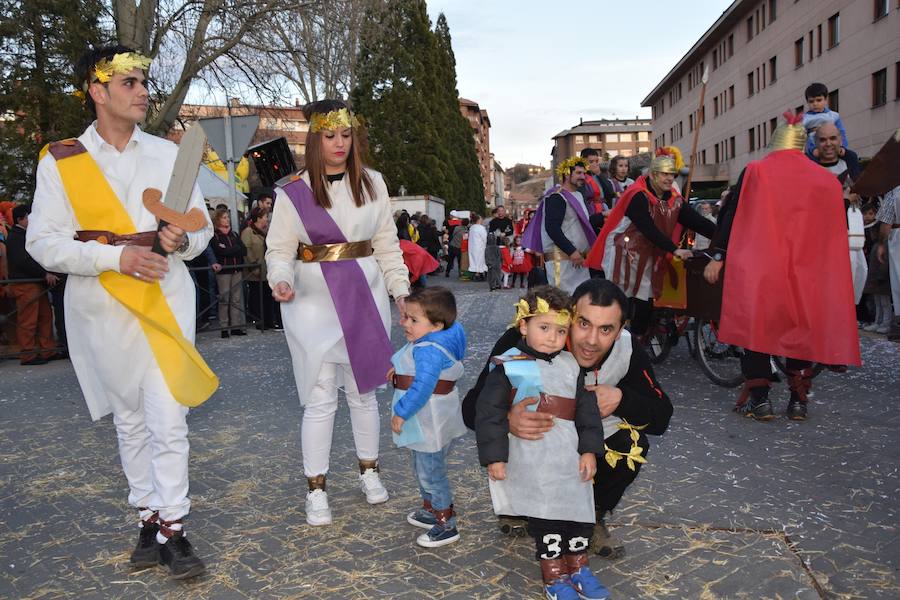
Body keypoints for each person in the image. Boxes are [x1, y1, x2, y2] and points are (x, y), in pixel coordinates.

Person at [27, 45, 216, 579]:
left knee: (167, 414)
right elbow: (44, 243)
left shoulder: (169, 153)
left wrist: (180, 241)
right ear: (97, 90)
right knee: (130, 420)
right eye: (129, 82)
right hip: (101, 304)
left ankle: (175, 529)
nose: (142, 91)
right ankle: (148, 518)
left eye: (143, 81)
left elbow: (197, 233)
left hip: (164, 296)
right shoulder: (60, 158)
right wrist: (116, 257)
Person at [265, 99, 409, 526]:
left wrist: (400, 291)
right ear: (315, 138)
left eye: (346, 135)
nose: (339, 143)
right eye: (330, 136)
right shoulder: (293, 192)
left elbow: (387, 244)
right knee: (320, 397)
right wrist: (280, 279)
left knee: (364, 392)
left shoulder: (373, 183)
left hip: (364, 297)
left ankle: (369, 471)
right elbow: (279, 249)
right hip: (313, 303)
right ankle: (316, 489)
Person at [463, 278, 672, 559]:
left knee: (631, 443)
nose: (591, 340)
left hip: (580, 437)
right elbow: (471, 408)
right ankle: (519, 507)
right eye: (583, 323)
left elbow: (662, 416)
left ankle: (590, 517)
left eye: (606, 329)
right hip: (533, 441)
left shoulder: (628, 350)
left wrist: (623, 399)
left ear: (621, 329)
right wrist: (508, 419)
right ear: (569, 314)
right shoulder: (524, 339)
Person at [704, 112, 860, 420]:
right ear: (804, 145)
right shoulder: (824, 180)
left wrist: (719, 255)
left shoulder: (756, 171)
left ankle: (760, 399)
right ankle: (798, 399)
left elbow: (731, 214)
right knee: (800, 328)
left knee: (756, 329)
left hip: (761, 267)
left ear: (774, 141)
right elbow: (835, 228)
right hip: (806, 269)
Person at [476, 286, 610, 600]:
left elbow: (586, 411)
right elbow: (488, 412)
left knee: (578, 514)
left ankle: (578, 566)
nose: (552, 337)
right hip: (533, 456)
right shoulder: (509, 363)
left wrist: (590, 449)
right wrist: (495, 457)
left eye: (560, 330)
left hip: (569, 456)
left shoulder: (572, 365)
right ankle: (554, 575)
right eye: (544, 327)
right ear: (524, 325)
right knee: (546, 516)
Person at [585, 150, 717, 335]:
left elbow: (697, 221)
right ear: (653, 174)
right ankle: (617, 336)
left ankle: (639, 336)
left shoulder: (673, 199)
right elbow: (647, 227)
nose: (669, 178)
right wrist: (674, 249)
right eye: (664, 174)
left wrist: (724, 237)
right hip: (625, 251)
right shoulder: (637, 195)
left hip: (651, 249)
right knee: (627, 296)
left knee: (646, 296)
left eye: (672, 174)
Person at [389, 286, 467, 547]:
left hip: (428, 418)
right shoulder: (432, 340)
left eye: (413, 320)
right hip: (431, 417)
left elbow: (422, 386)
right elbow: (415, 367)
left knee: (430, 470)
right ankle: (431, 508)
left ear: (436, 325)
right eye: (406, 317)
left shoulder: (429, 349)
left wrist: (401, 413)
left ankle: (445, 521)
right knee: (422, 464)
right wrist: (398, 373)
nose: (404, 323)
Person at [809, 123, 866, 303]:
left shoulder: (850, 162)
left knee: (855, 278)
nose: (828, 144)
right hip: (819, 241)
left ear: (840, 140)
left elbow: (861, 189)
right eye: (823, 139)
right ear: (816, 144)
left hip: (850, 236)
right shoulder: (808, 168)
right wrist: (842, 199)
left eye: (833, 138)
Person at [522, 156, 596, 293]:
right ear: (567, 174)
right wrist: (572, 251)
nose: (583, 177)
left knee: (579, 301)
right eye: (578, 173)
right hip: (562, 262)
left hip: (578, 261)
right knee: (562, 301)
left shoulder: (578, 196)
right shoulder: (557, 197)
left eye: (584, 173)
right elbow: (552, 228)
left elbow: (583, 224)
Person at [6, 204, 58, 365]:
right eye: (29, 217)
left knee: (45, 316)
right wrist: (45, 273)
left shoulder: (23, 235)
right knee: (28, 320)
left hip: (34, 283)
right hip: (25, 283)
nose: (33, 220)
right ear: (20, 219)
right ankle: (28, 354)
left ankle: (46, 350)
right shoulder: (16, 237)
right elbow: (24, 262)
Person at [241, 206, 280, 330]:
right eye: (265, 217)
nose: (267, 219)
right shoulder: (248, 232)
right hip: (255, 270)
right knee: (256, 296)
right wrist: (253, 267)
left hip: (266, 270)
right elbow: (246, 250)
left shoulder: (264, 232)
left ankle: (269, 320)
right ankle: (258, 320)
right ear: (258, 218)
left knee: (267, 296)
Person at [211, 207, 247, 337]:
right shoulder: (215, 236)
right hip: (224, 272)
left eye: (227, 217)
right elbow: (220, 252)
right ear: (218, 220)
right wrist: (234, 249)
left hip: (236, 269)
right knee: (224, 299)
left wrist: (230, 249)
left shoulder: (234, 234)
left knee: (236, 299)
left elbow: (243, 250)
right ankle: (224, 327)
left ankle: (236, 326)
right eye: (224, 217)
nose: (227, 220)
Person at [876, 185, 900, 341]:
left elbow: (886, 223)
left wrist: (881, 244)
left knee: (898, 279)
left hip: (898, 237)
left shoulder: (895, 191)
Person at [803, 82, 848, 157]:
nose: (815, 104)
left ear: (826, 99)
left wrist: (843, 147)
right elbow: (802, 137)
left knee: (852, 156)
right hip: (813, 149)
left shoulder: (833, 116)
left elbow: (841, 132)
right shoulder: (805, 118)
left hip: (833, 146)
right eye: (811, 101)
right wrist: (812, 149)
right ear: (807, 102)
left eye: (819, 100)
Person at [579, 148, 615, 217]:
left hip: (603, 208)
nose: (595, 164)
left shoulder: (598, 176)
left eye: (596, 161)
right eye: (591, 162)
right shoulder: (581, 179)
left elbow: (609, 192)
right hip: (592, 211)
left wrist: (600, 174)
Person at [467, 213, 488, 281]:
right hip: (479, 246)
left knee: (474, 260)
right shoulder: (481, 228)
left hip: (472, 246)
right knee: (480, 260)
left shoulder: (472, 228)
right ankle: (478, 274)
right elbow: (484, 238)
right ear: (478, 220)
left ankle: (477, 273)